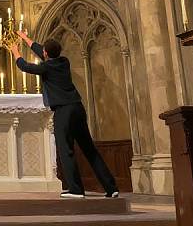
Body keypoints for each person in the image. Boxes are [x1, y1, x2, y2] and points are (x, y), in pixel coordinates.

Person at [11, 30, 119, 199]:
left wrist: (15, 52)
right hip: (77, 108)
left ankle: (76, 190)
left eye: (44, 52)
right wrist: (25, 38)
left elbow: (25, 66)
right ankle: (111, 187)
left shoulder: (46, 67)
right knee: (89, 148)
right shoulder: (64, 62)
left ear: (46, 54)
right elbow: (41, 51)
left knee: (66, 149)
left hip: (64, 111)